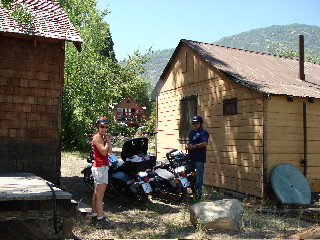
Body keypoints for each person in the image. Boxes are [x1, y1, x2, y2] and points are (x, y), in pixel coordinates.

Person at [90, 117, 114, 229]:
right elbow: (104, 152)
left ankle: (94, 215)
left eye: (106, 127)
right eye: (102, 126)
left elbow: (109, 151)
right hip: (100, 167)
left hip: (102, 166)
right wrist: (108, 141)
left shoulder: (103, 137)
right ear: (98, 127)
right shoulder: (97, 137)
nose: (104, 128)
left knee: (96, 193)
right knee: (100, 195)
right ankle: (101, 219)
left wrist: (108, 140)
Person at [185, 116, 209, 200]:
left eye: (197, 123)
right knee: (189, 174)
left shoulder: (204, 132)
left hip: (199, 158)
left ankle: (198, 194)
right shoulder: (192, 132)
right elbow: (190, 142)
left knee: (199, 176)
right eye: (193, 123)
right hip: (191, 157)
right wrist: (188, 146)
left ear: (201, 123)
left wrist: (194, 146)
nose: (195, 124)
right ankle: (193, 190)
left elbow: (205, 143)